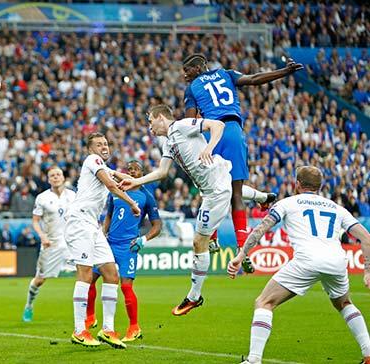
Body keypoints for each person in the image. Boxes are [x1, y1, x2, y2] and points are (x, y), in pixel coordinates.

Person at [228, 166, 370, 364]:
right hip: (336, 261)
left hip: (307, 260)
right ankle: (368, 354)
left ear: (298, 184)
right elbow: (366, 238)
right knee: (345, 303)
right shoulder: (336, 208)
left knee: (264, 302)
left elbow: (261, 228)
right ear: (319, 187)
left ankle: (253, 360)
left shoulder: (287, 203)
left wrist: (242, 253)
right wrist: (367, 271)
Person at [182, 54, 303, 268]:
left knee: (210, 188)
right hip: (234, 132)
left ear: (200, 67)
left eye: (188, 70)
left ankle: (212, 238)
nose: (185, 74)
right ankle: (242, 249)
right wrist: (284, 72)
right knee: (236, 193)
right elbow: (255, 79)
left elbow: (190, 123)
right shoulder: (226, 74)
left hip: (212, 134)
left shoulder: (192, 88)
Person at [120, 104, 230, 316]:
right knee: (228, 196)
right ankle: (262, 197)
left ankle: (194, 297)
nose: (149, 127)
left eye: (150, 121)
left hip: (214, 191)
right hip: (214, 186)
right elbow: (162, 172)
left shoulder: (181, 126)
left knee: (199, 242)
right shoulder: (169, 142)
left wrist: (209, 147)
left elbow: (217, 125)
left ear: (161, 117)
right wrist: (136, 181)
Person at [66, 132, 141, 349]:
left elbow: (115, 174)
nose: (104, 147)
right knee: (86, 273)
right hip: (79, 220)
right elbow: (110, 183)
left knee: (111, 273)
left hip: (92, 225)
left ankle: (108, 329)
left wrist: (132, 179)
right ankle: (79, 330)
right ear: (91, 149)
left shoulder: (100, 164)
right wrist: (131, 203)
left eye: (106, 144)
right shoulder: (92, 160)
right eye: (99, 144)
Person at [85, 159, 162, 342]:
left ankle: (134, 327)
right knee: (89, 279)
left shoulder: (146, 196)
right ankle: (90, 317)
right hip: (109, 244)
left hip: (128, 247)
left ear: (142, 174)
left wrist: (143, 240)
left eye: (136, 170)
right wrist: (103, 233)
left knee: (126, 286)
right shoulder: (116, 191)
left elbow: (157, 225)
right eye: (130, 169)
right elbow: (109, 215)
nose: (133, 172)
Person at [22, 167, 76, 322]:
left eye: (58, 174)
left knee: (84, 274)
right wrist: (42, 236)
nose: (56, 177)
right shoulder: (42, 198)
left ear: (63, 177)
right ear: (48, 179)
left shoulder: (73, 196)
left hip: (71, 243)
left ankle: (85, 313)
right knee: (40, 279)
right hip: (51, 244)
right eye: (52, 175)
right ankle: (29, 305)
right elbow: (35, 221)